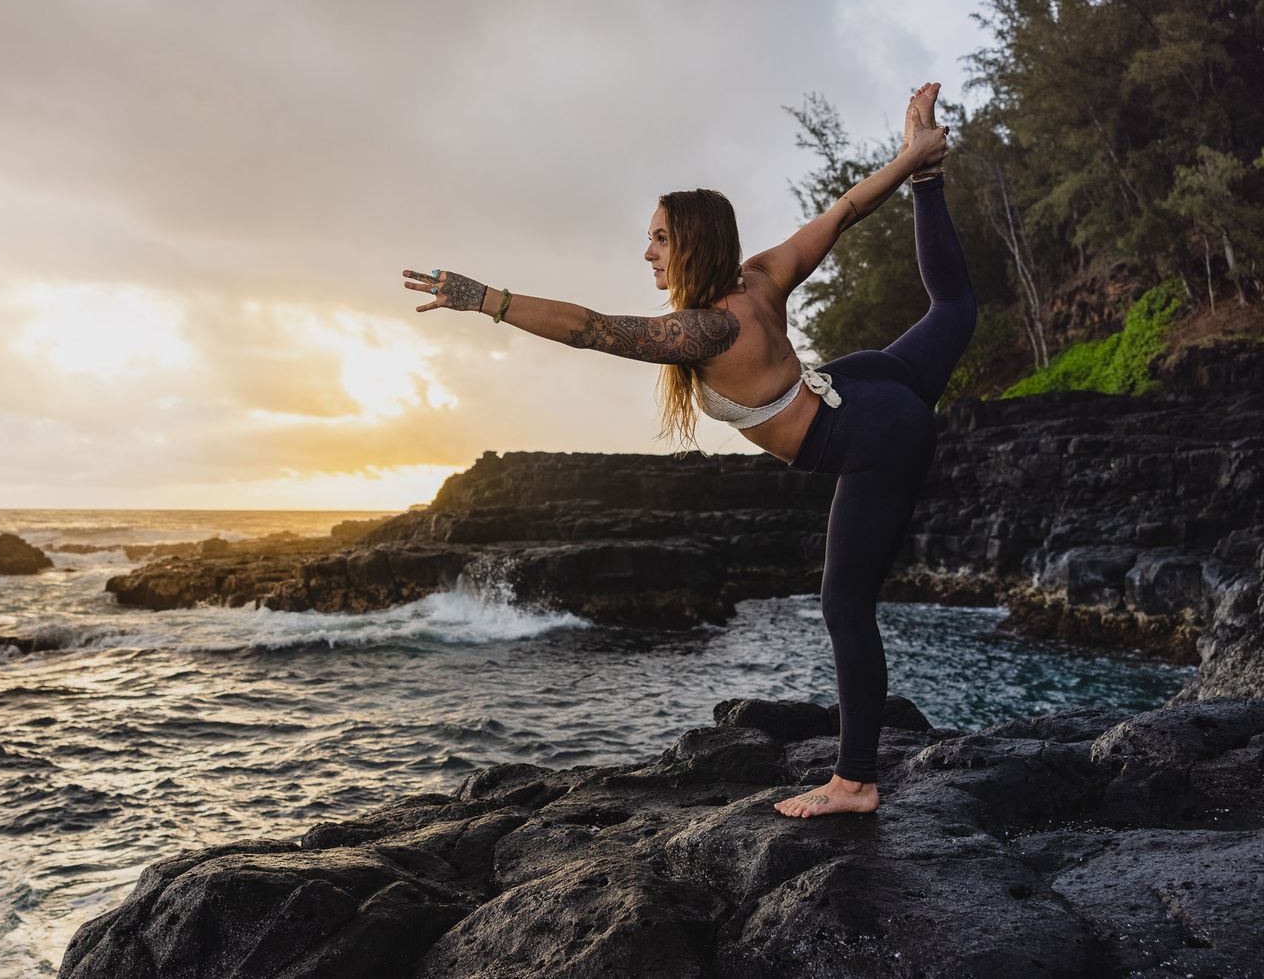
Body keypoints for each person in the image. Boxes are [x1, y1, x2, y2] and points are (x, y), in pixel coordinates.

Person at [399, 82, 974, 819]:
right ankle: (935, 175)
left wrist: (488, 299)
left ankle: (855, 782)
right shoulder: (760, 278)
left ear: (694, 241)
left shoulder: (707, 331)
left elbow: (589, 327)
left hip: (872, 430)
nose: (648, 253)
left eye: (660, 239)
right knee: (954, 309)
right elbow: (847, 210)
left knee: (844, 605)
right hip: (866, 386)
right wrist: (910, 160)